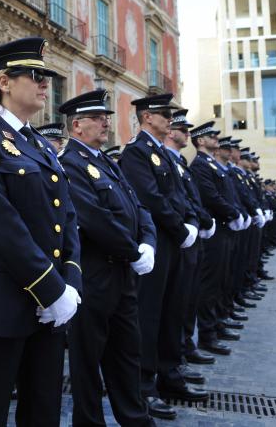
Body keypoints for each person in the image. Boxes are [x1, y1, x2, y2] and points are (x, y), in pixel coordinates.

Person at [0, 37, 82, 427]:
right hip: (1, 301)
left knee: (43, 409)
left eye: (46, 76)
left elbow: (67, 217)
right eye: (35, 75)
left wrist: (70, 282)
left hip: (49, 307)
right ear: (5, 83)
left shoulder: (41, 144)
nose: (45, 83)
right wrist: (50, 287)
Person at [58, 89, 157, 427]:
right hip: (94, 277)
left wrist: (148, 244)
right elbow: (95, 219)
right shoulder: (70, 164)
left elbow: (138, 207)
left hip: (123, 276)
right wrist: (133, 250)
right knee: (88, 362)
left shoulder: (104, 161)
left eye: (106, 118)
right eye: (97, 119)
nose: (105, 123)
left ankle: (135, 419)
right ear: (76, 125)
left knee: (127, 354)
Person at [119, 93, 207, 421]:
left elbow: (182, 195)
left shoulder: (165, 155)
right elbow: (151, 199)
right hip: (157, 243)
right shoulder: (137, 153)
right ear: (146, 117)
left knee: (173, 309)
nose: (169, 119)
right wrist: (180, 227)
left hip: (176, 242)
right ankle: (144, 386)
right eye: (162, 114)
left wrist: (191, 224)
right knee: (150, 315)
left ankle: (170, 374)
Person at [164, 110, 217, 376]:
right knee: (177, 302)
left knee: (189, 297)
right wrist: (194, 223)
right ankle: (179, 350)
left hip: (192, 235)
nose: (187, 133)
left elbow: (192, 199)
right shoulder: (170, 161)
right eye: (183, 130)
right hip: (178, 239)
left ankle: (186, 343)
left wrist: (200, 221)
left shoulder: (181, 162)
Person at [188, 122, 246, 360]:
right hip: (215, 230)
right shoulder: (200, 165)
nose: (216, 139)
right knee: (210, 284)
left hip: (225, 228)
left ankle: (218, 321)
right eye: (212, 136)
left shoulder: (213, 164)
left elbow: (229, 195)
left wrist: (238, 213)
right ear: (201, 141)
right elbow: (211, 196)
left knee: (223, 278)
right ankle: (207, 332)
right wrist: (232, 213)